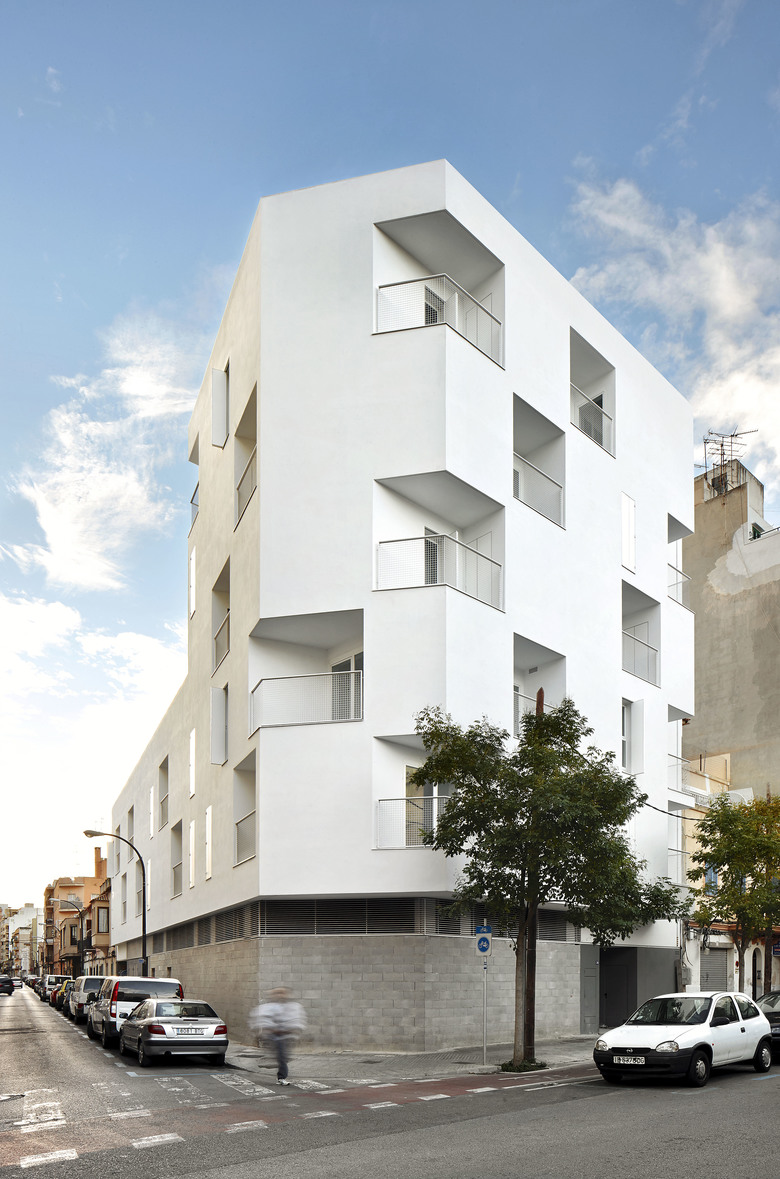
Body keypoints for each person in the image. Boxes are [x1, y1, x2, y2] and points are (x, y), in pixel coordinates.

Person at [249, 987, 307, 1085]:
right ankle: (281, 1076)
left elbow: (297, 1021)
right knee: (281, 1056)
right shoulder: (267, 1007)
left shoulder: (293, 1007)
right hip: (273, 1036)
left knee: (283, 1057)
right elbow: (261, 1019)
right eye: (277, 993)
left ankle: (280, 1071)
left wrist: (293, 1030)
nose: (280, 995)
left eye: (282, 993)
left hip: (285, 1037)